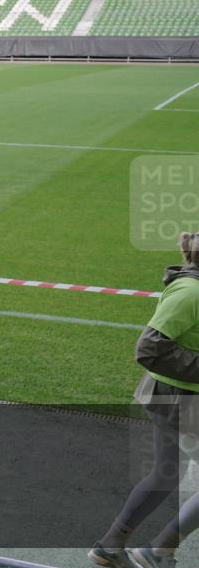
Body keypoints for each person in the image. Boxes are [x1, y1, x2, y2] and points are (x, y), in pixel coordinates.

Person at [90, 231, 199, 568]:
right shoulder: (191, 292)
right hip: (181, 399)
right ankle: (159, 550)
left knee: (165, 474)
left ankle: (110, 546)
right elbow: (149, 349)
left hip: (174, 396)